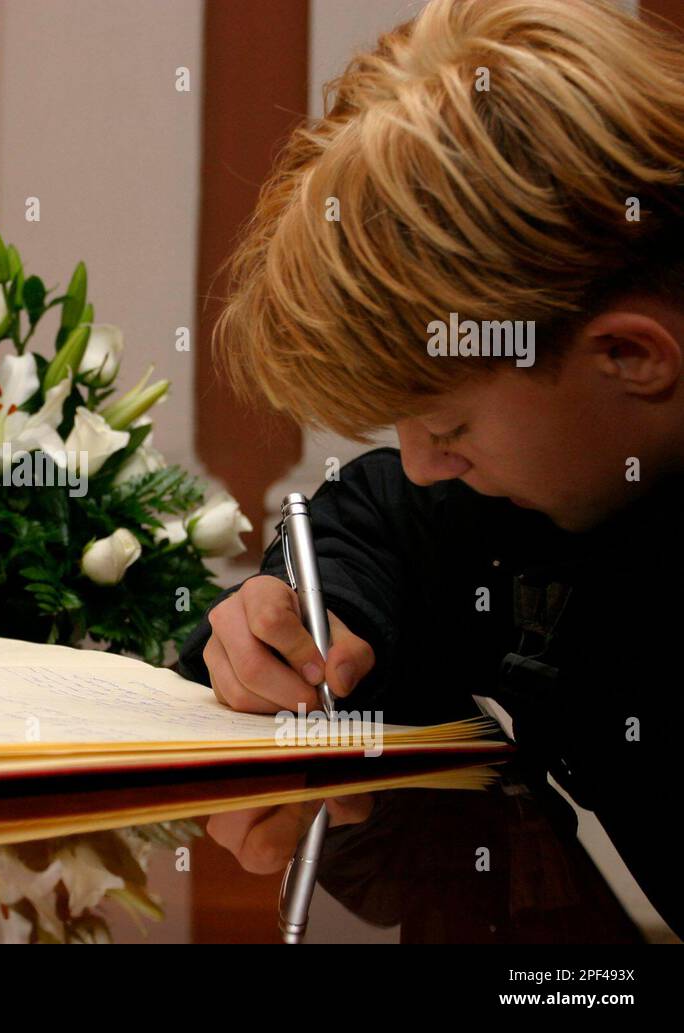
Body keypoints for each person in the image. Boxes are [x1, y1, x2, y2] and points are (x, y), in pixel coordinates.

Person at [176, 0, 682, 933]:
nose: (422, 462)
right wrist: (301, 621)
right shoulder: (545, 481)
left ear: (629, 359)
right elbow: (375, 518)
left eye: (446, 421)